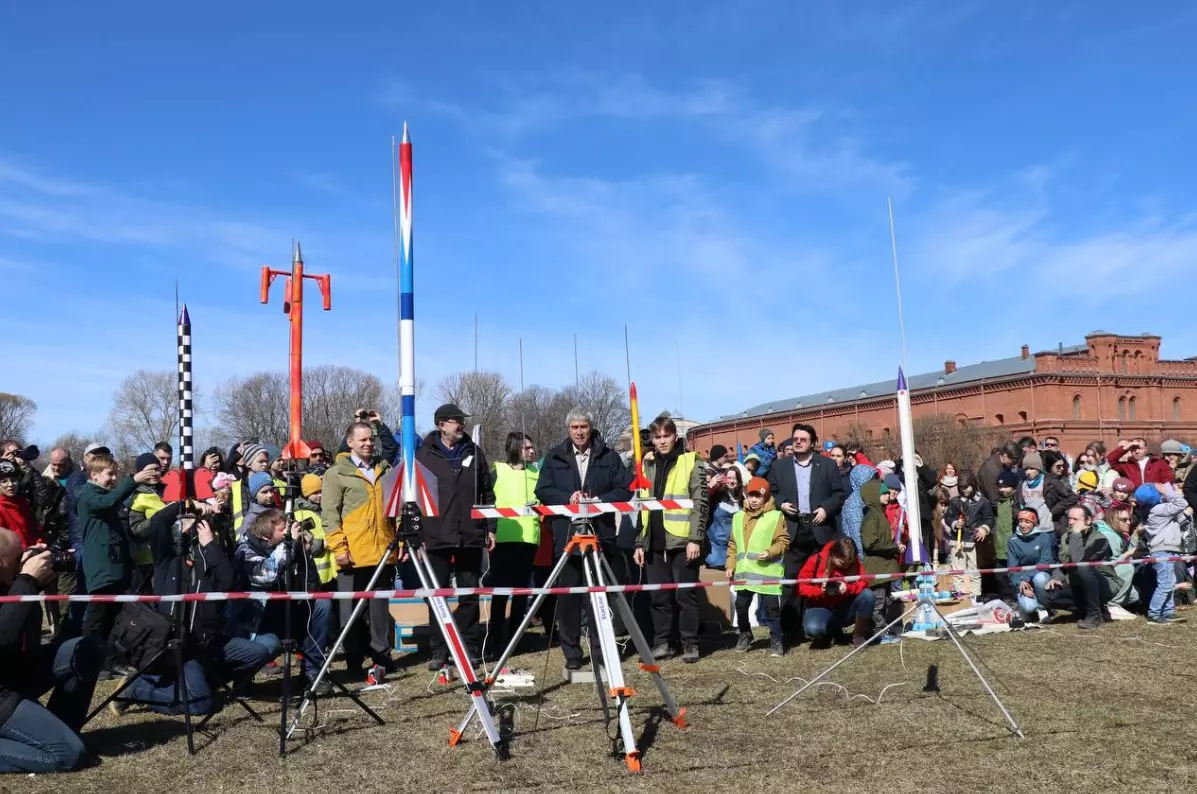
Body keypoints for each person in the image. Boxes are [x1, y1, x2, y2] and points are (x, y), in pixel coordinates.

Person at [113, 503, 279, 714]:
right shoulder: (167, 557)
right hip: (180, 648)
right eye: (190, 519)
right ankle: (136, 689)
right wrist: (186, 505)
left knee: (258, 652)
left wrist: (210, 545)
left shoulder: (209, 556)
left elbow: (230, 582)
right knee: (199, 705)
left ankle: (203, 683)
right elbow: (158, 523)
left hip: (209, 643)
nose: (195, 524)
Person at [535, 408, 632, 671]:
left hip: (601, 537)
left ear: (591, 428)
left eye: (584, 427)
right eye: (575, 427)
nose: (579, 432)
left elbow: (625, 488)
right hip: (566, 539)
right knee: (568, 600)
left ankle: (601, 652)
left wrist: (599, 501)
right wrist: (568, 498)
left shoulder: (609, 456)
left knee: (598, 599)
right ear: (568, 430)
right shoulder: (554, 456)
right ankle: (572, 654)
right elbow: (542, 490)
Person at [0, 530, 103, 773]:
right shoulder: (18, 584)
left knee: (85, 649)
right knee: (68, 755)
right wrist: (26, 581)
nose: (23, 563)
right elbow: (2, 638)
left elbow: (27, 641)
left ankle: (61, 729)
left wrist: (36, 584)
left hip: (14, 674)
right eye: (18, 558)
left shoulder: (10, 584)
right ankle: (58, 743)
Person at [415, 404, 495, 669]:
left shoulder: (475, 453)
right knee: (436, 594)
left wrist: (490, 528)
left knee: (469, 593)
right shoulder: (423, 455)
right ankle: (439, 649)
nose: (460, 424)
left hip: (470, 535)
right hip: (435, 535)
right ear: (441, 425)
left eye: (462, 420)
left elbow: (488, 493)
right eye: (456, 420)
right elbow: (413, 496)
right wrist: (416, 533)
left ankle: (470, 646)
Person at [323, 421, 398, 680]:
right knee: (350, 614)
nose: (368, 444)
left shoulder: (384, 470)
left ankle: (381, 659)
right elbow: (330, 516)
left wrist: (398, 541)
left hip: (381, 554)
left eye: (370, 439)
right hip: (351, 556)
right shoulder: (336, 474)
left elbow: (394, 509)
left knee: (379, 614)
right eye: (362, 440)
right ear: (351, 442)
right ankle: (354, 662)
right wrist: (339, 548)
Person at [633, 415, 708, 663]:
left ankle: (690, 643)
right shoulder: (647, 464)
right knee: (658, 596)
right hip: (653, 540)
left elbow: (701, 503)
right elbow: (640, 504)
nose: (662, 441)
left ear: (675, 437)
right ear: (652, 439)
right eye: (658, 436)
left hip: (682, 540)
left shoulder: (691, 462)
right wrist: (639, 542)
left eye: (666, 436)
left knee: (684, 595)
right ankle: (663, 642)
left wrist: (695, 539)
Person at [233, 509, 332, 692]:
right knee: (268, 646)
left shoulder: (290, 548)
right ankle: (243, 677)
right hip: (260, 623)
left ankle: (312, 673)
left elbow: (311, 587)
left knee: (321, 605)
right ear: (265, 534)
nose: (288, 533)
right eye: (283, 529)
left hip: (288, 613)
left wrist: (304, 553)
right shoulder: (246, 550)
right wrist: (290, 543)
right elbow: (267, 574)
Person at [767, 423, 846, 647]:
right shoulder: (779, 466)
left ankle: (827, 628)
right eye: (795, 438)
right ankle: (792, 631)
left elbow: (839, 495)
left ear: (813, 443)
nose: (798, 441)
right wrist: (781, 503)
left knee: (825, 579)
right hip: (793, 530)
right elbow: (772, 493)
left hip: (821, 529)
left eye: (803, 438)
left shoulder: (827, 465)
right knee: (791, 581)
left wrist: (825, 509)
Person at [76, 453, 159, 642]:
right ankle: (87, 657)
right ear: (94, 474)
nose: (114, 479)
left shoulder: (106, 495)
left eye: (115, 475)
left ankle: (108, 659)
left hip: (115, 567)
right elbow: (107, 502)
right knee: (97, 619)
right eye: (109, 474)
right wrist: (134, 480)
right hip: (101, 569)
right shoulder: (87, 496)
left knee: (114, 619)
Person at [485, 431, 540, 657]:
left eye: (532, 447)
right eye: (526, 447)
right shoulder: (497, 471)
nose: (531, 451)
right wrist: (490, 531)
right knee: (500, 594)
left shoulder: (537, 472)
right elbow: (486, 499)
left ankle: (517, 637)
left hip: (529, 539)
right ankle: (494, 639)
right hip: (503, 540)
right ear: (515, 448)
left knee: (522, 592)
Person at [726, 476, 787, 656]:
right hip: (744, 573)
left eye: (758, 496)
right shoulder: (738, 517)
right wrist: (730, 565)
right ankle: (745, 633)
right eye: (751, 495)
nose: (753, 499)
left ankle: (776, 638)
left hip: (766, 572)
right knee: (741, 605)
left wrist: (770, 552)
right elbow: (732, 544)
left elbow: (783, 541)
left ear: (765, 497)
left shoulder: (775, 516)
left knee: (771, 609)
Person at [1040, 506, 1119, 629]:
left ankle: (1095, 614)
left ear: (1088, 520)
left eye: (1075, 519)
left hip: (1102, 584)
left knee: (1083, 568)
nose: (1070, 522)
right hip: (1076, 582)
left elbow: (1079, 562)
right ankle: (1084, 610)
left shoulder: (1100, 540)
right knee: (1048, 596)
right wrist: (1056, 577)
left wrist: (1076, 535)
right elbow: (1062, 561)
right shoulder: (1066, 536)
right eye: (1069, 519)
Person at [797, 538, 874, 649]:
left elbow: (864, 583)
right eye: (842, 563)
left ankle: (860, 637)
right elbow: (801, 586)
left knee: (868, 595)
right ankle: (827, 633)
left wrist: (848, 587)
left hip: (844, 608)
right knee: (813, 628)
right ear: (834, 556)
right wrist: (820, 591)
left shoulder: (855, 562)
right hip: (820, 605)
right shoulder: (816, 560)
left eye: (849, 563)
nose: (846, 566)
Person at [1132, 483, 1188, 624]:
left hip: (1165, 549)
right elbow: (1182, 503)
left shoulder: (1151, 510)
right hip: (1162, 551)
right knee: (1165, 584)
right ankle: (1154, 613)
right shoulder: (1159, 509)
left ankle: (1168, 612)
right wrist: (1167, 491)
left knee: (1169, 582)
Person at [859, 480, 902, 643]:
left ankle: (883, 629)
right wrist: (893, 548)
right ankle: (877, 633)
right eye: (883, 493)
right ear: (874, 496)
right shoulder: (872, 517)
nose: (887, 495)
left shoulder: (880, 514)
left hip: (885, 567)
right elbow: (870, 543)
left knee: (886, 601)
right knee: (878, 601)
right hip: (876, 568)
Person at [944, 471, 993, 603]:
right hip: (957, 542)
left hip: (975, 542)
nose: (963, 490)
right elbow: (948, 517)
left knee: (974, 572)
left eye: (966, 487)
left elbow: (989, 519)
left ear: (973, 485)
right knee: (957, 572)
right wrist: (955, 523)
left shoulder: (983, 502)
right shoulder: (955, 502)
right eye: (961, 488)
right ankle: (960, 599)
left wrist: (984, 529)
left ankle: (975, 598)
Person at [1007, 509, 1054, 620]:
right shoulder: (1012, 540)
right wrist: (1019, 584)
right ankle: (1030, 606)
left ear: (1034, 523)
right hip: (1022, 579)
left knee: (1040, 579)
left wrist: (1026, 578)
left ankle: (1044, 607)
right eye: (1020, 521)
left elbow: (1045, 561)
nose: (1023, 525)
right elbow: (1012, 567)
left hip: (1039, 574)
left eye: (1027, 522)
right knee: (1029, 608)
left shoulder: (1044, 537)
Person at [0, 460, 39, 550]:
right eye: (4, 481)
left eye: (14, 480)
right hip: (13, 560)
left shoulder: (23, 503)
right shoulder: (1, 508)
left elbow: (33, 530)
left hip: (32, 553)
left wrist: (39, 543)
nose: (10, 485)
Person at [1107, 438, 1172, 488]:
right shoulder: (1126, 466)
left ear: (1146, 449)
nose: (1136, 451)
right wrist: (1125, 448)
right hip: (1134, 500)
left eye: (1140, 448)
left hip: (1156, 500)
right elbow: (1109, 461)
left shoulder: (1158, 463)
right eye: (1133, 449)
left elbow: (1168, 481)